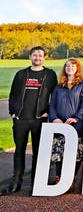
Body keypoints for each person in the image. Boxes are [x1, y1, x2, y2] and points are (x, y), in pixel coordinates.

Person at [2, 46, 57, 195]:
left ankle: (36, 182)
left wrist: (49, 112)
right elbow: (13, 94)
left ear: (44, 57)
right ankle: (16, 183)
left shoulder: (50, 75)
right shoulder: (21, 74)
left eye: (40, 55)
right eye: (35, 55)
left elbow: (55, 96)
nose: (37, 58)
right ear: (30, 57)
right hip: (21, 119)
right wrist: (13, 113)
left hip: (39, 120)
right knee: (19, 151)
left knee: (38, 152)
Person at [48, 58, 83, 192]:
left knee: (76, 154)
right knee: (59, 153)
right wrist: (54, 118)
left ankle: (71, 178)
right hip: (60, 125)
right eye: (67, 66)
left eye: (73, 66)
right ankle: (59, 177)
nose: (70, 68)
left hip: (76, 126)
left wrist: (77, 118)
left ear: (77, 68)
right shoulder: (59, 86)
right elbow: (52, 105)